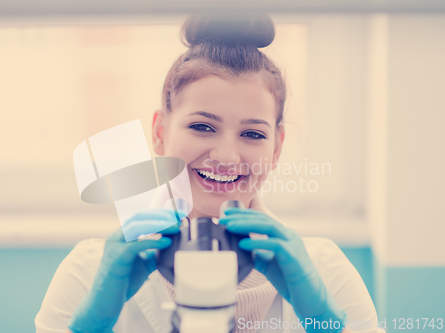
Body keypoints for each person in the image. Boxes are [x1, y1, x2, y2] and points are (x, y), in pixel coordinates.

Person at [35, 12, 384, 333]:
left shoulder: (324, 271)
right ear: (160, 133)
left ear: (276, 148)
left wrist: (328, 325)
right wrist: (89, 327)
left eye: (252, 134)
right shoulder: (88, 273)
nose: (227, 157)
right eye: (202, 126)